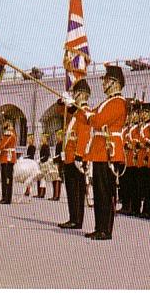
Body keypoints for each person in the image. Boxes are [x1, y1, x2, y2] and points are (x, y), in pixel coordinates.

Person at [66, 63, 127, 240]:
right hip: (100, 149)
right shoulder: (107, 102)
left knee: (105, 192)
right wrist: (75, 107)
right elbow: (88, 116)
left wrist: (86, 113)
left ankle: (105, 230)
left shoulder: (118, 102)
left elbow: (98, 120)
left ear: (114, 83)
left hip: (109, 150)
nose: (103, 84)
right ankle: (99, 227)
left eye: (106, 80)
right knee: (99, 193)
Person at [58, 78, 92, 229]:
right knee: (71, 190)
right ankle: (74, 218)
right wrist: (63, 101)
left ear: (83, 94)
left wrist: (79, 155)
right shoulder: (77, 112)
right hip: (69, 156)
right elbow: (62, 108)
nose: (74, 96)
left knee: (76, 191)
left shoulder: (84, 112)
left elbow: (84, 135)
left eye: (76, 93)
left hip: (76, 158)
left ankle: (76, 220)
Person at [0, 121, 17, 204]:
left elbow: (2, 145)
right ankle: (5, 197)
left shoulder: (9, 134)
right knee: (5, 179)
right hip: (6, 158)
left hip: (7, 158)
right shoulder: (11, 133)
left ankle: (7, 198)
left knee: (7, 179)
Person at [49, 130, 64, 201]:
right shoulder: (58, 144)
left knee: (57, 179)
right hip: (56, 163)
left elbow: (61, 155)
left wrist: (55, 160)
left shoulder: (62, 144)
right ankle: (54, 194)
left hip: (60, 163)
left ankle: (57, 196)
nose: (57, 137)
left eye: (58, 135)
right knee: (54, 179)